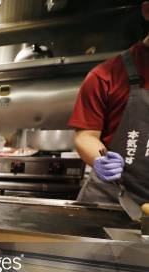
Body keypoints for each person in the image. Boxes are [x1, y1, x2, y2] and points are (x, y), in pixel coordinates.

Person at [70, 1, 148, 205]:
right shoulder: (106, 75)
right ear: (147, 10)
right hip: (109, 200)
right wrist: (100, 160)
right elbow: (85, 136)